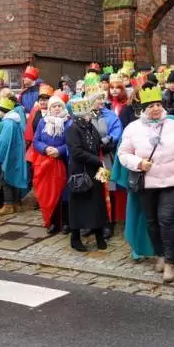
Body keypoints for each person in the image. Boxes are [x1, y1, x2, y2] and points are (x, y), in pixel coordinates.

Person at [119, 85, 174, 282]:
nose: (156, 109)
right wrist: (138, 163)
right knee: (151, 222)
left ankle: (169, 262)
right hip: (147, 183)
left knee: (167, 220)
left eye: (158, 104)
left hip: (173, 181)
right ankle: (159, 253)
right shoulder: (133, 129)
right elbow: (123, 154)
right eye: (151, 106)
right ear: (144, 108)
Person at [65, 97, 110, 252]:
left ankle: (99, 236)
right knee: (79, 206)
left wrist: (107, 145)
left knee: (97, 204)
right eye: (88, 112)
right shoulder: (73, 129)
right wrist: (96, 160)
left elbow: (97, 144)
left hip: (94, 171)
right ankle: (75, 238)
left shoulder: (91, 127)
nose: (90, 114)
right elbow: (76, 152)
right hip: (80, 172)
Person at [30, 95, 71, 234]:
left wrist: (59, 150)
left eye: (59, 106)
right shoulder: (43, 122)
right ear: (50, 108)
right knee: (49, 193)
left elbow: (72, 143)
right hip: (47, 162)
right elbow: (36, 140)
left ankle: (66, 222)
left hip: (63, 162)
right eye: (54, 106)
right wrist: (46, 149)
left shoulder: (69, 122)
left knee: (63, 193)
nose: (57, 108)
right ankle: (53, 222)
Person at [89, 92, 123, 239]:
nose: (101, 101)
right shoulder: (85, 115)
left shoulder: (109, 115)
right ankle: (93, 221)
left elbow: (117, 130)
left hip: (104, 159)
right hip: (89, 158)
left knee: (106, 188)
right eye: (98, 99)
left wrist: (110, 141)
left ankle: (108, 222)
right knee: (91, 188)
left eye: (102, 98)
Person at [0, 95, 28, 215]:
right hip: (16, 154)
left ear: (1, 110)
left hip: (9, 155)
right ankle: (16, 204)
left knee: (6, 179)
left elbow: (3, 142)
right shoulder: (15, 121)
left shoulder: (7, 123)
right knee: (14, 178)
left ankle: (8, 205)